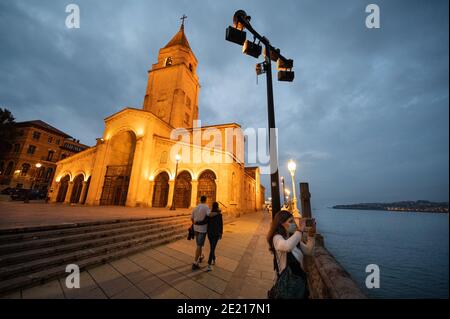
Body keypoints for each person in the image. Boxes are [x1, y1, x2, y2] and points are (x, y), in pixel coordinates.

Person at [267, 210, 316, 298]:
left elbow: (309, 251)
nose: (293, 224)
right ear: (281, 224)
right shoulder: (277, 237)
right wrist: (300, 230)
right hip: (287, 282)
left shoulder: (292, 238)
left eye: (293, 221)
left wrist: (311, 235)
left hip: (299, 281)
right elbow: (287, 246)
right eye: (290, 221)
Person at [191, 195, 210, 270]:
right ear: (205, 200)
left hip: (196, 228)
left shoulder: (195, 207)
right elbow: (209, 215)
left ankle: (201, 255)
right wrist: (217, 212)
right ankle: (195, 263)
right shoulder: (206, 207)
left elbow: (191, 218)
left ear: (200, 200)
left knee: (199, 244)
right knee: (199, 245)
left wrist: (194, 224)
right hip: (202, 229)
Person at [206, 202, 223, 271]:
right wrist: (221, 233)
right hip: (216, 233)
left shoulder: (209, 215)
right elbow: (221, 225)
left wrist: (196, 223)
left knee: (212, 247)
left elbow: (206, 222)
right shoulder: (219, 215)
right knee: (212, 248)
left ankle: (214, 258)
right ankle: (209, 264)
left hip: (209, 233)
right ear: (217, 207)